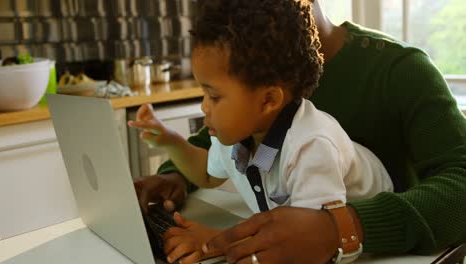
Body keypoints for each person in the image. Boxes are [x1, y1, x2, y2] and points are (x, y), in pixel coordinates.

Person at [133, 0, 466, 263]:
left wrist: (343, 227)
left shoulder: (401, 72)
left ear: (270, 99)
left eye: (213, 96)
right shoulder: (243, 75)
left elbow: (301, 235)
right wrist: (172, 174)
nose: (206, 107)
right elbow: (209, 151)